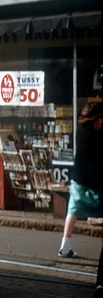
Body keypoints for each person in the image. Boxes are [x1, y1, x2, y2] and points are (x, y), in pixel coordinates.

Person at [57, 100, 103, 258]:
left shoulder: (80, 130)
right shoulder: (96, 134)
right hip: (94, 178)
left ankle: (65, 246)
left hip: (78, 176)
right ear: (97, 118)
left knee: (73, 210)